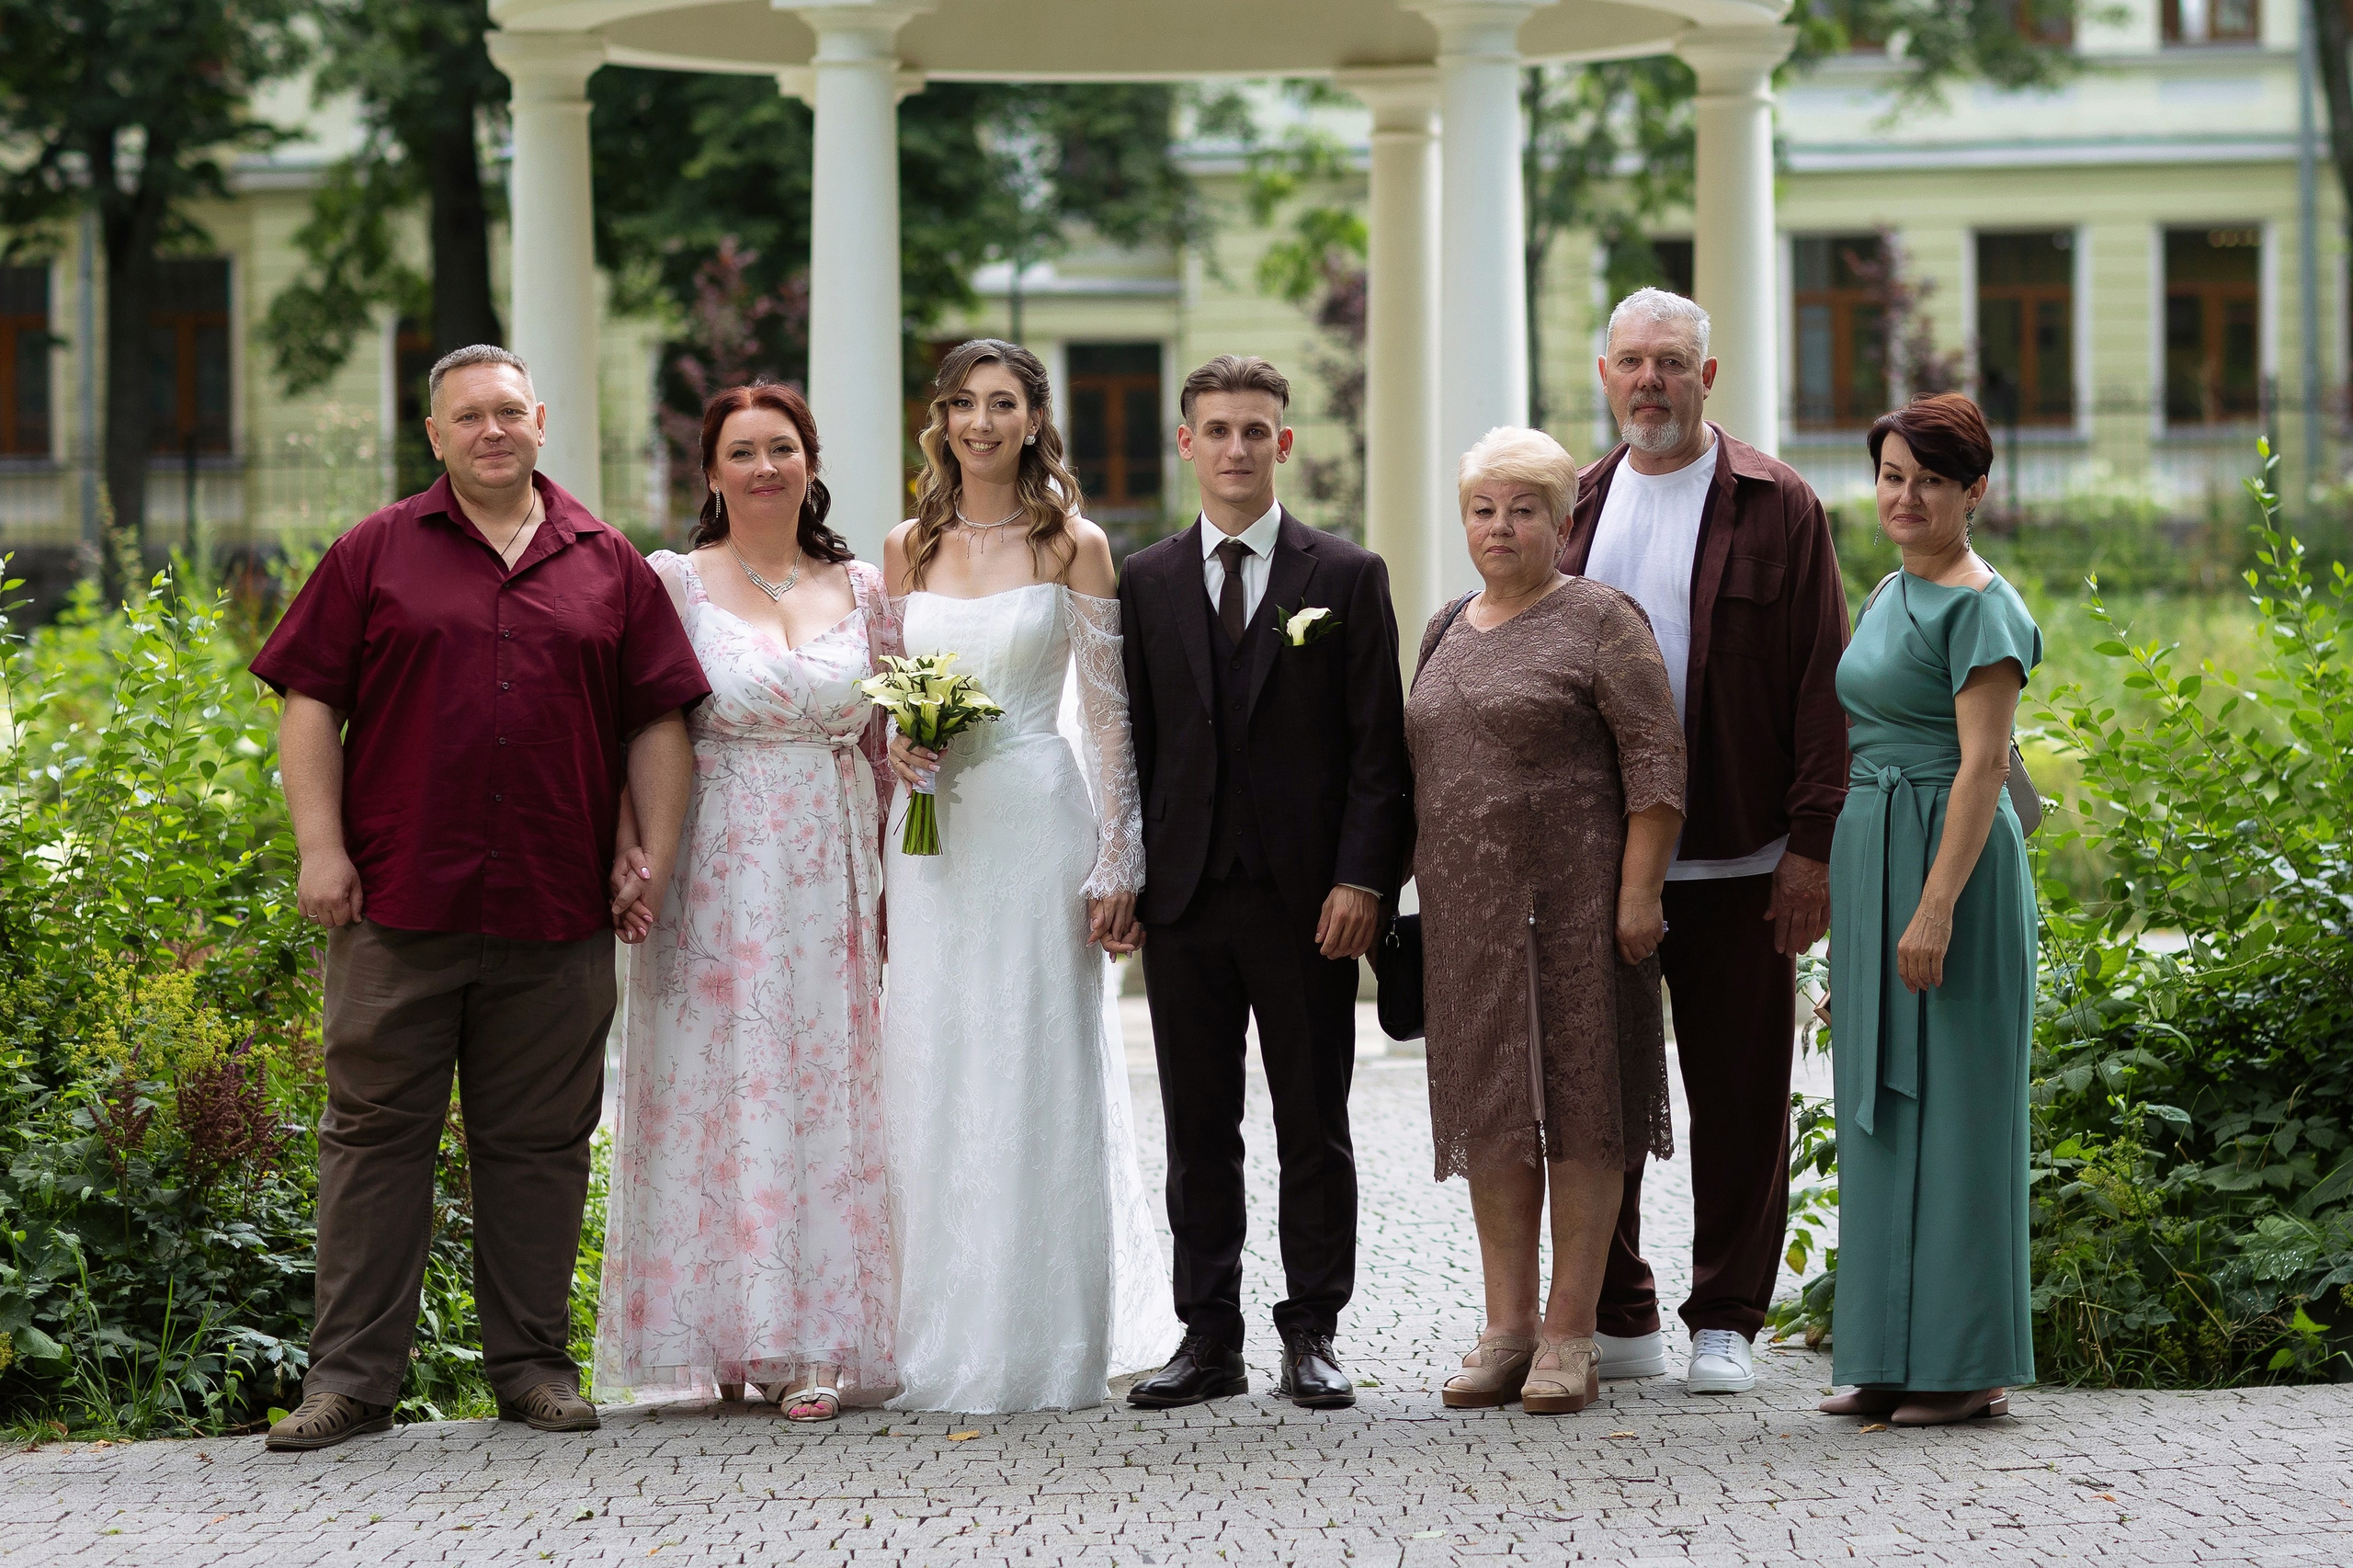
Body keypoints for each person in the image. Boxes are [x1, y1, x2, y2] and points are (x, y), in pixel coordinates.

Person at [251, 345, 710, 1451]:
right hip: (398, 901)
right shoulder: (375, 551)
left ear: (541, 421)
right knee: (372, 1139)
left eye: (509, 411)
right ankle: (351, 1382)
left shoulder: (607, 562)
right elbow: (309, 702)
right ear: (436, 432)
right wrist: (321, 848)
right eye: (470, 416)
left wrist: (650, 853)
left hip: (554, 907)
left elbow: (656, 720)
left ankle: (533, 1368)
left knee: (542, 1144)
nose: (492, 430)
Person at [879, 338, 1179, 1413]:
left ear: (1033, 418)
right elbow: (890, 692)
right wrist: (899, 745)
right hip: (934, 839)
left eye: (1001, 403)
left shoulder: (1076, 546)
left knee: (1034, 1060)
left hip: (1037, 822)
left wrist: (1119, 855)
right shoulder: (904, 546)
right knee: (934, 1058)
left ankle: (1047, 1335)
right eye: (961, 403)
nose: (979, 422)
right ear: (941, 419)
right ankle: (935, 1331)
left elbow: (1108, 717)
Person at [1564, 289, 1851, 1395]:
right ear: (1605, 375)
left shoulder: (1776, 502)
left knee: (1739, 1092)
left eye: (1671, 363)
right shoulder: (1576, 502)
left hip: (1740, 854)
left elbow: (1821, 683)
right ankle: (1620, 1308)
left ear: (1707, 376)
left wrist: (1811, 847)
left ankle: (1726, 1314)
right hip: (1599, 855)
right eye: (1632, 362)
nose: (1650, 381)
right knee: (1602, 1089)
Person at [596, 384, 900, 1423]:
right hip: (714, 862)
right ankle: (720, 1332)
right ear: (712, 472)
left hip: (830, 860)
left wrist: (898, 864)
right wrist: (635, 848)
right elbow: (630, 721)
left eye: (783, 447)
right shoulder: (671, 580)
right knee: (712, 1085)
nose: (765, 466)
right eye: (743, 451)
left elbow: (884, 741)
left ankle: (811, 1336)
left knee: (821, 1087)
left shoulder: (864, 586)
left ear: (811, 461)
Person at [1119, 355, 1412, 1412]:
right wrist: (1127, 873)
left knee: (1313, 1119)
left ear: (1283, 444)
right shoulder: (1142, 579)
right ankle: (1208, 1335)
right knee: (1197, 1126)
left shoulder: (1343, 575)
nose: (1237, 447)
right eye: (1217, 429)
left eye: (1256, 430)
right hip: (1185, 897)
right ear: (1186, 443)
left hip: (1307, 903)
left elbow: (1380, 749)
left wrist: (1361, 880)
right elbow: (1131, 743)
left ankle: (1314, 1330)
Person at [1410, 427, 1686, 1415]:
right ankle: (1507, 1326)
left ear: (1563, 520)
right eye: (1483, 508)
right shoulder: (1445, 624)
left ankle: (1571, 1334)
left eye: (1523, 507)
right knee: (1492, 1112)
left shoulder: (1602, 618)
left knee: (1579, 1106)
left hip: (1577, 909)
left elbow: (1656, 765)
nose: (1500, 525)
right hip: (1467, 918)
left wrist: (1639, 892)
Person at [1819, 393, 2040, 1426]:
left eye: (1929, 481)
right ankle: (1886, 1354)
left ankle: (1964, 1362)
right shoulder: (1884, 590)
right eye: (1892, 476)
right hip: (1874, 847)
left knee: (1956, 1107)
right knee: (1877, 1100)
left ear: (1973, 492)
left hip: (1948, 866)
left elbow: (1986, 765)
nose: (1904, 497)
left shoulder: (1980, 605)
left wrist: (1935, 906)